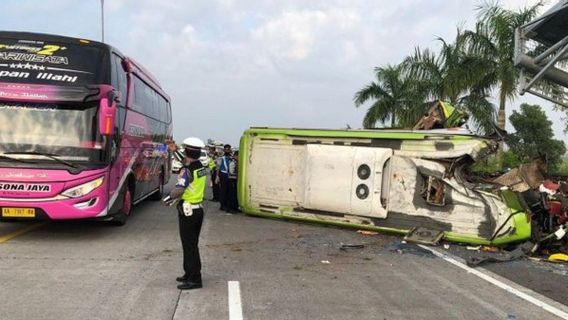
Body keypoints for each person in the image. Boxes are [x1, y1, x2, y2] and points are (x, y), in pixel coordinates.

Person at [163, 137, 207, 290]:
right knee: (191, 245)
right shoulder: (200, 166)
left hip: (188, 212)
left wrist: (167, 199)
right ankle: (189, 273)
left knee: (189, 246)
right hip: (197, 210)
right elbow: (186, 162)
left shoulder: (187, 170)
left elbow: (179, 189)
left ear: (187, 151)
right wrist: (175, 150)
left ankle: (195, 279)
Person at [217, 144, 232, 212]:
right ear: (224, 150)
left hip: (229, 176)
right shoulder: (221, 158)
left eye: (228, 149)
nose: (227, 150)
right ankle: (222, 205)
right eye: (226, 149)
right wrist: (217, 176)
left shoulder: (231, 158)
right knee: (223, 191)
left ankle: (226, 204)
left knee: (229, 191)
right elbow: (218, 167)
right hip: (223, 175)